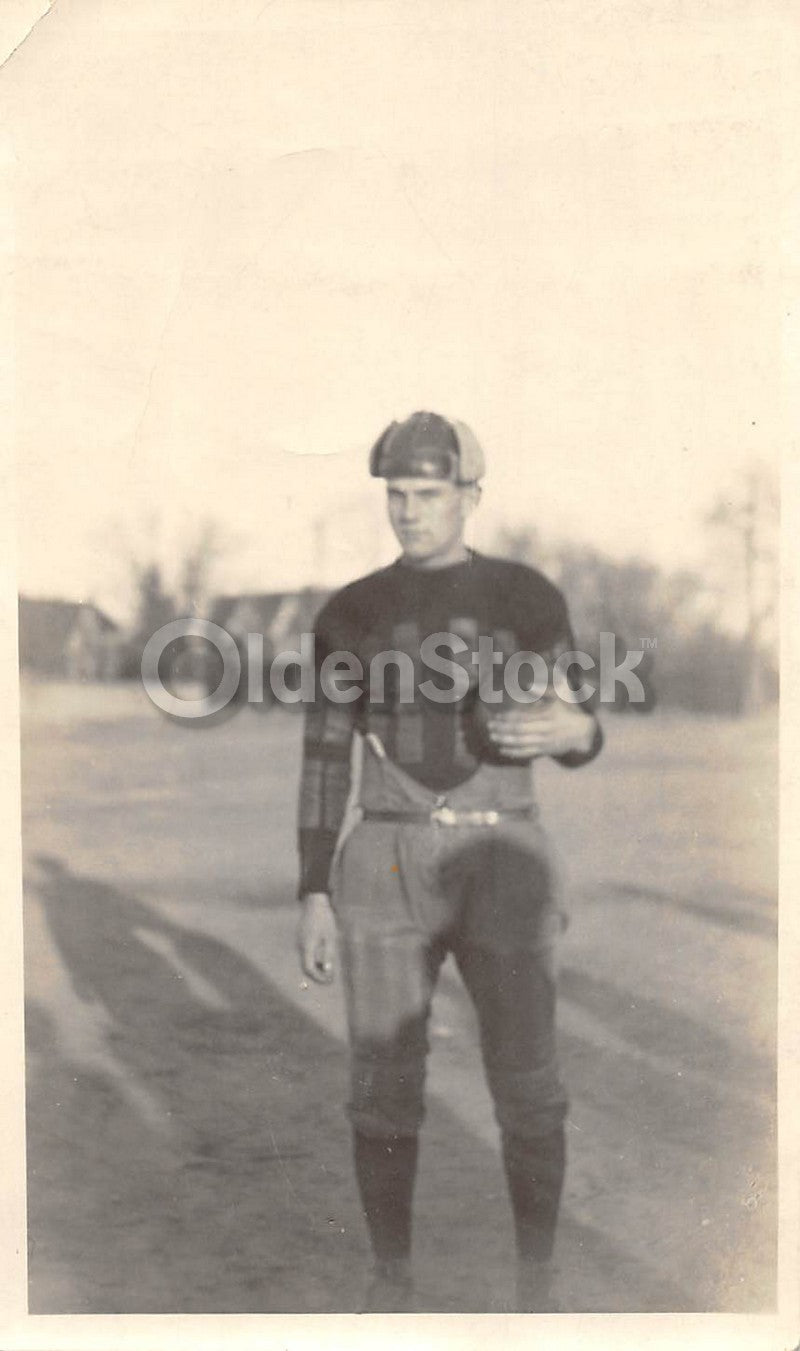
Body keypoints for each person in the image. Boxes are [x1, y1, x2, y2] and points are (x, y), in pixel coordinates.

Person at [295, 411, 602, 1312]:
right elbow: (322, 754)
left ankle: (536, 1284)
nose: (409, 511)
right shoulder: (349, 610)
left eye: (429, 494)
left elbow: (576, 723)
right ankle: (391, 1281)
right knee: (382, 1087)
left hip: (501, 847)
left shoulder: (525, 596)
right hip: (383, 851)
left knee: (529, 1084)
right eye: (396, 494)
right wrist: (313, 885)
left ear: (471, 495)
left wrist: (581, 728)